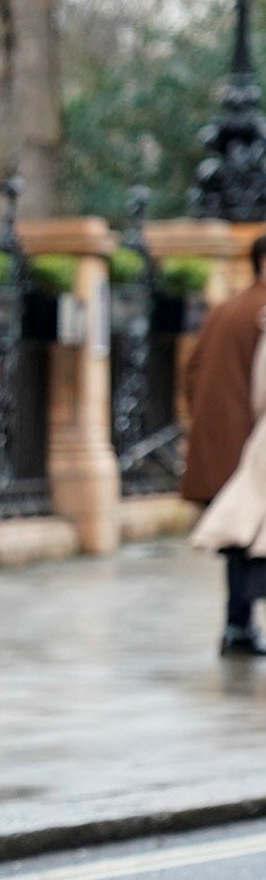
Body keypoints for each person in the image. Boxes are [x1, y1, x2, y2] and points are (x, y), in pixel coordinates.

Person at [182, 233, 266, 654]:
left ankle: (237, 626)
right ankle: (238, 626)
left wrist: (207, 426)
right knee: (248, 540)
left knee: (238, 541)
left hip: (224, 444)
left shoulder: (224, 310)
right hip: (252, 446)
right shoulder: (259, 312)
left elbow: (191, 372)